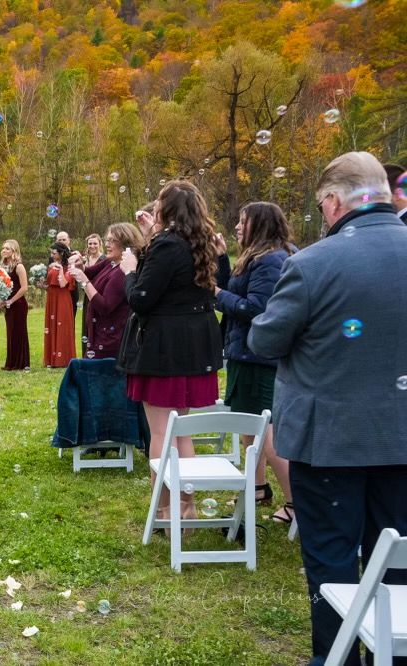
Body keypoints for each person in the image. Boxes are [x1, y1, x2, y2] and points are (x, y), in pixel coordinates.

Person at [249, 151, 407, 666]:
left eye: (322, 205)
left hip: (330, 443)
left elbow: (266, 340)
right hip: (401, 440)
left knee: (332, 562)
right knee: (399, 563)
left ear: (335, 201)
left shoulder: (314, 263)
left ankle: (337, 659)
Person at [117, 181, 222, 524]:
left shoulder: (167, 245)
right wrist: (151, 237)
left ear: (168, 209)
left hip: (164, 349)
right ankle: (186, 507)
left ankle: (165, 510)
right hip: (193, 347)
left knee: (161, 432)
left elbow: (142, 298)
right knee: (182, 430)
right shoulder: (201, 243)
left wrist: (130, 273)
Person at [214, 202, 295, 524]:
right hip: (244, 355)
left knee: (268, 431)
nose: (236, 226)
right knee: (250, 427)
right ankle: (258, 487)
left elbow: (258, 308)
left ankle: (297, 503)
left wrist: (219, 293)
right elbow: (228, 293)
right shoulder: (255, 258)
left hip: (258, 357)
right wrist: (221, 259)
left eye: (242, 221)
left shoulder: (272, 260)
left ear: (259, 225)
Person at [68, 223, 143, 360]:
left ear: (126, 244)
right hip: (98, 333)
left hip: (110, 338)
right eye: (107, 240)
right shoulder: (111, 261)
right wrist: (81, 267)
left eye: (113, 241)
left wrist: (84, 282)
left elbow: (105, 306)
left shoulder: (123, 271)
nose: (107, 244)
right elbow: (90, 272)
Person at [43, 242, 76, 368]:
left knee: (62, 325)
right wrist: (41, 284)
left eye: (54, 253)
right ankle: (51, 359)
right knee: (51, 325)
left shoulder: (69, 266)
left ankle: (62, 359)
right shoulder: (51, 265)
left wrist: (61, 269)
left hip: (62, 297)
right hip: (52, 297)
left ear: (61, 253)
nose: (52, 255)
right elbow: (49, 283)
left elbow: (63, 284)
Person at [0, 239, 29, 371]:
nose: (4, 250)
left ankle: (21, 363)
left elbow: (24, 288)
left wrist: (12, 300)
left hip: (19, 304)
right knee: (10, 332)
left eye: (7, 248)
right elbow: (2, 286)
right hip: (8, 304)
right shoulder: (2, 266)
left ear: (14, 251)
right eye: (3, 248)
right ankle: (10, 363)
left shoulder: (19, 266)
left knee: (19, 332)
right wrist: (2, 299)